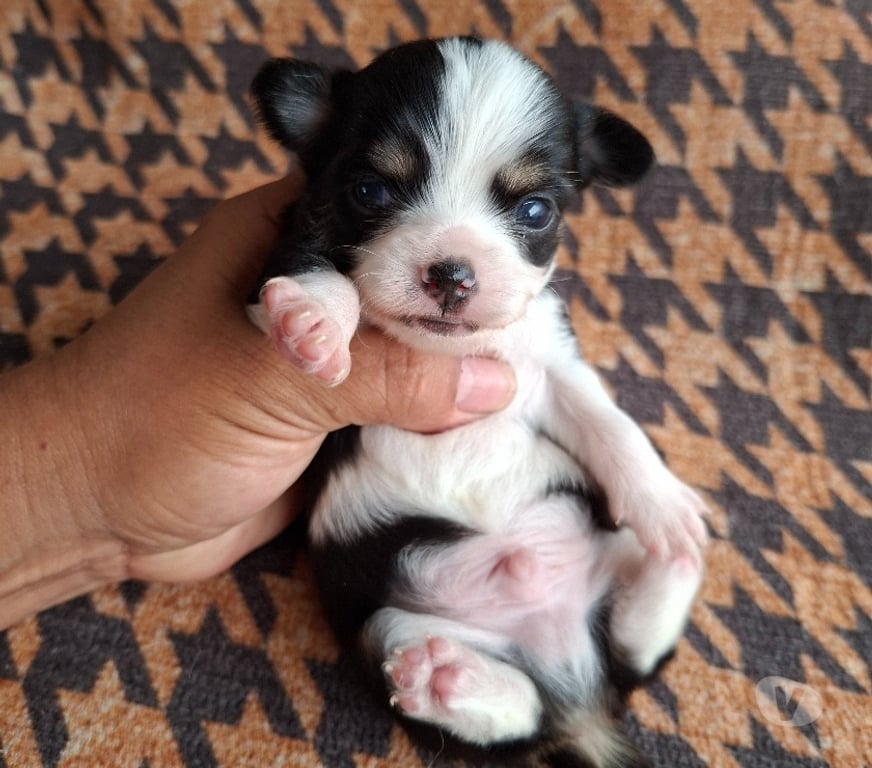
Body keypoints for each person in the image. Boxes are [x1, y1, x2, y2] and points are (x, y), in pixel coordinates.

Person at [0, 175, 516, 630]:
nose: (452, 278)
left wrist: (95, 531)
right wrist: (80, 487)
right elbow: (294, 273)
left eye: (530, 213)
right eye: (374, 193)